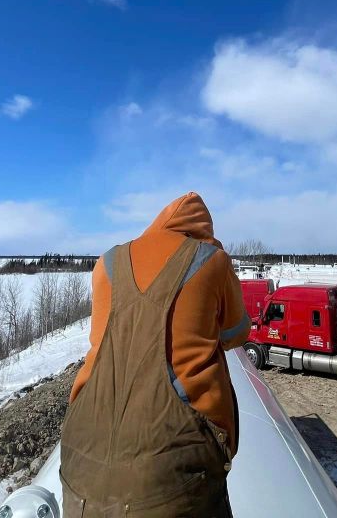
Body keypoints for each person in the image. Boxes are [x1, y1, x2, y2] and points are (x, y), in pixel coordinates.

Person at [60, 192, 251, 517]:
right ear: (204, 231)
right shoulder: (212, 259)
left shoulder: (108, 261)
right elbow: (236, 332)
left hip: (79, 454)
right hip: (173, 467)